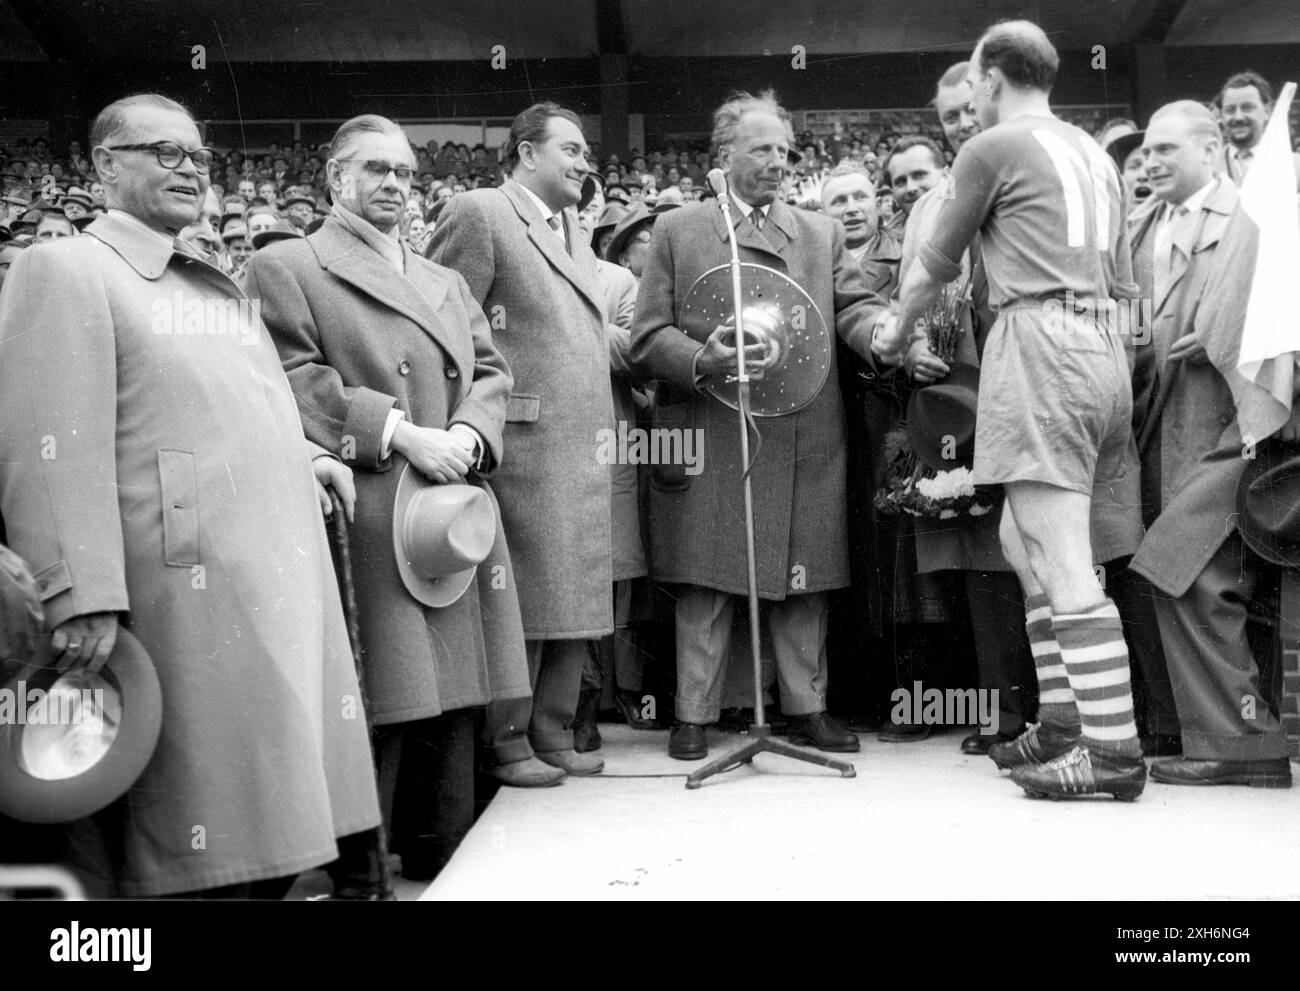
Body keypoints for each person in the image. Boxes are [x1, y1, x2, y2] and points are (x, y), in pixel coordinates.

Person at [0, 93, 380, 896]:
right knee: (201, 843)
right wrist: (77, 589)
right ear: (106, 165)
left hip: (262, 587)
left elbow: (219, 410)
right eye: (163, 153)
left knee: (267, 832)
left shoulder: (205, 278)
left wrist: (299, 456)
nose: (189, 171)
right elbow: (49, 445)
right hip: (175, 594)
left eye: (198, 158)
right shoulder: (64, 266)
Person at [246, 114, 535, 887]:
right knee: (388, 693)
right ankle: (364, 865)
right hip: (372, 499)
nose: (395, 186)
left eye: (404, 174)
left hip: (451, 495)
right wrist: (402, 433)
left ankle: (442, 847)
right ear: (335, 179)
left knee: (455, 693)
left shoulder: (439, 276)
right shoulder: (291, 264)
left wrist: (471, 436)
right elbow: (291, 377)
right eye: (376, 170)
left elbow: (490, 370)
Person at [880, 20, 1148, 799]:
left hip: (1041, 339)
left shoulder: (991, 148)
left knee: (1061, 552)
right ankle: (1062, 724)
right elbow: (1128, 290)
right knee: (1017, 534)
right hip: (1103, 342)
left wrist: (897, 331)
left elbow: (933, 266)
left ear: (992, 80)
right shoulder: (1095, 153)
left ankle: (1111, 752)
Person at [631, 89, 891, 761]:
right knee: (707, 576)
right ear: (725, 155)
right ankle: (694, 712)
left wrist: (882, 334)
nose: (778, 161)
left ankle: (808, 708)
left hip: (806, 428)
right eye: (762, 148)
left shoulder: (819, 232)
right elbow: (646, 337)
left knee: (805, 576)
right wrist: (699, 358)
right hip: (714, 423)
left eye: (784, 149)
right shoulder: (678, 230)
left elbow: (854, 309)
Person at [429, 102, 614, 782]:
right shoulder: (481, 211)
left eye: (586, 148)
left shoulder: (571, 229)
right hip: (522, 441)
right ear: (526, 153)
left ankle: (553, 729)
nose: (583, 160)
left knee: (574, 593)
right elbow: (441, 324)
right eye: (569, 148)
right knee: (524, 595)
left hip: (581, 445)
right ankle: (507, 740)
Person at [1127, 101, 1292, 787]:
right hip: (1157, 431)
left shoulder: (1261, 214)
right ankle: (1198, 731)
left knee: (1187, 570)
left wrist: (1228, 331)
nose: (1152, 161)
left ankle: (1242, 741)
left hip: (1242, 430)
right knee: (1188, 576)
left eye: (1168, 149)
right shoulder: (1138, 226)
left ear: (1213, 146)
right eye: (1147, 152)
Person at [1216, 71, 1300, 187]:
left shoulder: (1295, 166)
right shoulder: (1206, 166)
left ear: (1267, 112)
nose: (1238, 117)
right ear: (1221, 116)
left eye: (1247, 108)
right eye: (1230, 110)